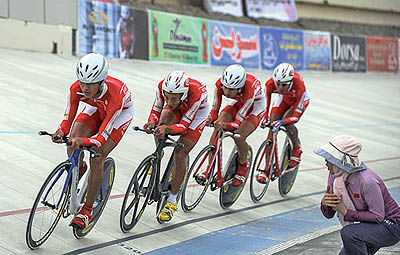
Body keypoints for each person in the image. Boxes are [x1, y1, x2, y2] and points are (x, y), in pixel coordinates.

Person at [52, 53, 134, 229]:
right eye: (82, 82)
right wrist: (61, 132)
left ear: (101, 81)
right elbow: (67, 119)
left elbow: (101, 137)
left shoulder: (115, 95)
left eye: (90, 84)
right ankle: (79, 167)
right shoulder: (76, 88)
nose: (85, 87)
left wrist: (85, 141)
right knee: (73, 138)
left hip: (119, 114)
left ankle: (86, 210)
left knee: (97, 155)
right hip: (96, 106)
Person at [315, 135, 400, 255]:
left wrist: (346, 213)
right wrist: (325, 204)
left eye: (329, 159)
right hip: (368, 225)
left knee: (350, 234)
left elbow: (378, 216)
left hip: (390, 225)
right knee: (349, 239)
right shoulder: (334, 176)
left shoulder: (367, 180)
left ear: (340, 162)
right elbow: (329, 214)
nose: (326, 163)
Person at [143, 70, 210, 222]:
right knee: (162, 122)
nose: (169, 102)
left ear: (183, 94)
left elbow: (185, 126)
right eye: (167, 97)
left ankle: (171, 201)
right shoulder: (162, 87)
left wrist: (168, 129)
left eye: (174, 99)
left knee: (180, 153)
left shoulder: (197, 94)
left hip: (196, 115)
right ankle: (158, 156)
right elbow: (156, 110)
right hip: (181, 110)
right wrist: (153, 123)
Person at [204, 64, 266, 187]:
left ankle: (243, 164)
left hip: (255, 107)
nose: (227, 92)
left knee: (238, 136)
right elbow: (214, 110)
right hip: (238, 103)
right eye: (225, 88)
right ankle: (209, 169)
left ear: (240, 87)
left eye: (231, 90)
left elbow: (238, 122)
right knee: (217, 130)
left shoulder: (249, 90)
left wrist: (225, 125)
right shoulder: (219, 85)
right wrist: (211, 119)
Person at [257, 63, 310, 183]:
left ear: (290, 82)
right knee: (271, 128)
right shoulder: (270, 84)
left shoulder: (299, 85)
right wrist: (264, 118)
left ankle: (296, 148)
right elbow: (265, 105)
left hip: (299, 102)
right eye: (278, 84)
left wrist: (282, 121)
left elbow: (296, 116)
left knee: (287, 122)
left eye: (284, 85)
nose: (280, 88)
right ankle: (266, 169)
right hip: (283, 99)